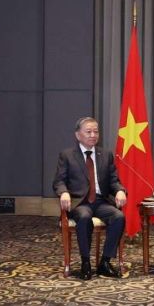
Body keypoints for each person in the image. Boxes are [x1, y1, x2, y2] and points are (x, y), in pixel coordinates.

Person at [52, 117, 127, 280]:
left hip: (101, 202)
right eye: (88, 132)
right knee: (85, 217)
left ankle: (105, 262)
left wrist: (120, 191)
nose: (93, 135)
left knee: (119, 217)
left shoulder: (105, 155)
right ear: (78, 135)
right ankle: (85, 263)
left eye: (96, 132)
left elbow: (114, 180)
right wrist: (63, 192)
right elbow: (59, 181)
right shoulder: (67, 155)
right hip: (80, 202)